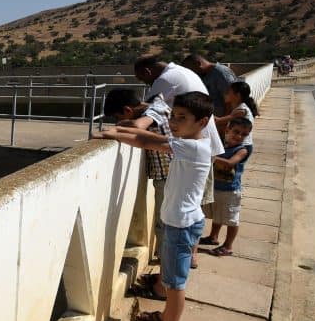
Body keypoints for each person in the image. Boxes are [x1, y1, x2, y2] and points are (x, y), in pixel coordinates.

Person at [94, 92, 215, 321]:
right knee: (172, 282)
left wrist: (111, 134)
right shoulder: (192, 142)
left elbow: (145, 139)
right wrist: (117, 132)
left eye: (182, 118)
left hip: (181, 225)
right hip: (182, 222)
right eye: (173, 116)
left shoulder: (193, 147)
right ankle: (166, 319)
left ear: (202, 122)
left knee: (175, 285)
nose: (174, 122)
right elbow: (154, 138)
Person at [134, 55, 224, 268]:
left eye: (143, 80)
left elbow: (147, 115)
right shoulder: (182, 72)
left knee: (182, 210)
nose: (146, 84)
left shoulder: (164, 81)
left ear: (147, 72)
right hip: (204, 145)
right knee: (196, 203)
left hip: (191, 147)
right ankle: (189, 256)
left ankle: (174, 265)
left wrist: (121, 126)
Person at [103, 89, 172, 260]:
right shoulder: (158, 103)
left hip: (166, 177)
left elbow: (137, 127)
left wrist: (116, 129)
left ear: (127, 111)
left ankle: (165, 272)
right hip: (169, 174)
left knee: (164, 224)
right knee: (167, 223)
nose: (118, 122)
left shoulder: (152, 112)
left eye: (119, 117)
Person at [201, 118, 253, 256]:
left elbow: (230, 163)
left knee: (231, 219)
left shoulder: (242, 150)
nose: (239, 136)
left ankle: (228, 246)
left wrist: (210, 156)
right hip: (216, 187)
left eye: (244, 134)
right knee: (218, 215)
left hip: (231, 191)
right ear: (227, 129)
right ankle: (213, 237)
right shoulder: (221, 145)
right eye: (236, 132)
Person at [212, 81, 259, 152]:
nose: (225, 94)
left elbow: (218, 121)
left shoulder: (241, 111)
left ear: (237, 96)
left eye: (228, 92)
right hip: (238, 144)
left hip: (242, 146)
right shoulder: (238, 108)